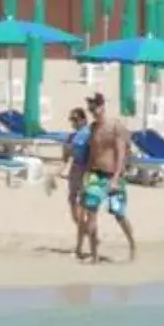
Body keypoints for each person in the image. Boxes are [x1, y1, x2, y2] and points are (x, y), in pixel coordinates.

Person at [60, 105, 95, 261]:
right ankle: (92, 239)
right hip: (74, 172)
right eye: (71, 119)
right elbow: (64, 159)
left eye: (74, 119)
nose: (72, 122)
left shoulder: (89, 135)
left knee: (82, 213)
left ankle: (80, 248)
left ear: (83, 119)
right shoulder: (71, 137)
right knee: (75, 213)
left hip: (86, 172)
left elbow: (95, 155)